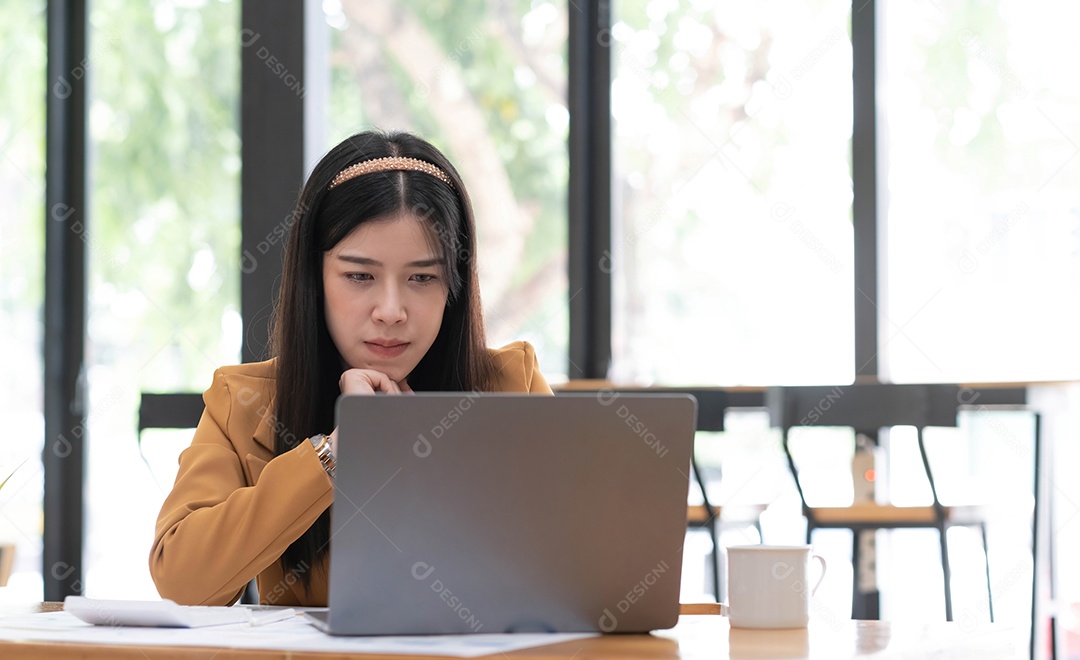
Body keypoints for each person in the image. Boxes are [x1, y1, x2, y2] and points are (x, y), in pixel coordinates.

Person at [149, 130, 551, 606]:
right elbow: (182, 581)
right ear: (314, 279)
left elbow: (573, 571)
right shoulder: (243, 403)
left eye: (422, 277)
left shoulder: (510, 386)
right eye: (360, 275)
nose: (390, 310)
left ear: (454, 287)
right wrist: (337, 451)